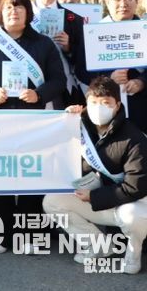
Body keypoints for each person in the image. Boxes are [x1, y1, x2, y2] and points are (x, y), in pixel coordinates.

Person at [0, 0, 65, 252]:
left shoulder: (43, 44)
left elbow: (58, 80)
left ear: (28, 12)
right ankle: (0, 234)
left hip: (33, 122)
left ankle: (30, 235)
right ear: (0, 13)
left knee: (31, 179)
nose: (14, 11)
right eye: (8, 7)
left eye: (19, 6)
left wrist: (39, 94)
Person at [43, 76, 147, 274]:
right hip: (101, 199)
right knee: (52, 201)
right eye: (94, 102)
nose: (99, 108)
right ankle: (98, 245)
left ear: (117, 106)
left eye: (106, 103)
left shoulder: (134, 138)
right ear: (86, 103)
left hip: (132, 203)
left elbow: (136, 187)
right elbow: (55, 147)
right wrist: (65, 120)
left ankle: (133, 253)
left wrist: (94, 196)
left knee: (132, 216)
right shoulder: (80, 125)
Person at [29, 0, 89, 106]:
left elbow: (83, 59)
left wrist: (68, 47)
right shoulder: (21, 16)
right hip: (29, 88)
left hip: (64, 90)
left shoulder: (74, 19)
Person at [99, 0, 147, 131]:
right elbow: (81, 71)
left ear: (137, 0)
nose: (123, 3)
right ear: (107, 2)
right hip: (106, 109)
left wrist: (142, 82)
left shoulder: (145, 29)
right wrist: (108, 78)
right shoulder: (94, 33)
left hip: (142, 107)